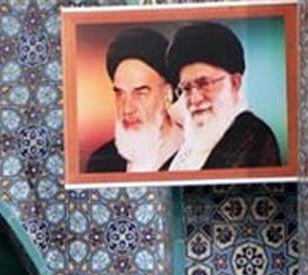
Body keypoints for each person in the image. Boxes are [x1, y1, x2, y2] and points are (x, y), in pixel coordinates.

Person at [165, 21, 282, 171]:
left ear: (234, 83)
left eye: (204, 84)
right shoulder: (188, 147)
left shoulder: (255, 137)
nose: (195, 99)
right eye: (186, 89)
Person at [86, 27, 182, 173]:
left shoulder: (194, 155)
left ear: (167, 95)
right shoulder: (101, 162)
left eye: (140, 93)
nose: (127, 109)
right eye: (120, 94)